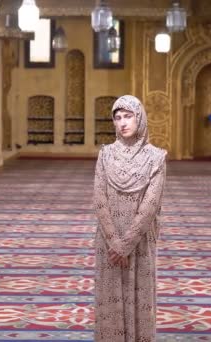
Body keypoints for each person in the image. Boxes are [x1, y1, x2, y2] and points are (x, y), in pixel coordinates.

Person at [92, 95, 167, 342]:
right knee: (110, 297)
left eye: (128, 116)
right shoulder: (105, 155)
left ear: (140, 117)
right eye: (117, 117)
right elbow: (99, 199)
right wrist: (114, 242)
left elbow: (151, 205)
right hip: (108, 242)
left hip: (140, 242)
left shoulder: (156, 157)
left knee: (139, 297)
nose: (122, 123)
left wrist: (126, 244)